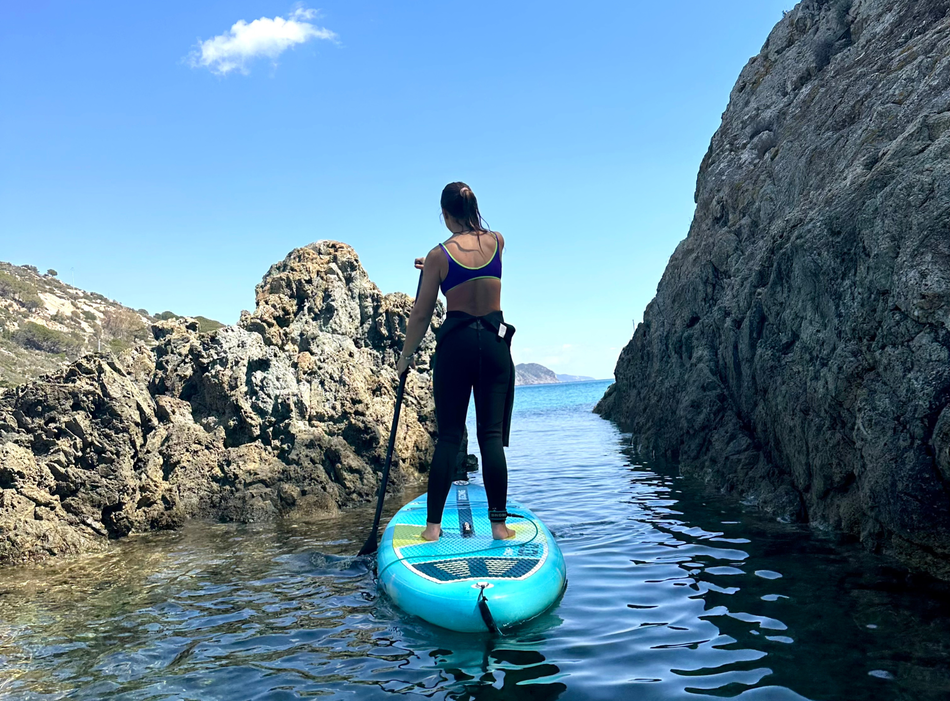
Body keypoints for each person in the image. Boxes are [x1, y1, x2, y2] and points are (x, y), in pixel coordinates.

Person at [396, 181, 516, 542]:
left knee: (449, 436)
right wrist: (431, 266)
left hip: (457, 345)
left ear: (446, 215)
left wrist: (405, 357)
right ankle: (499, 526)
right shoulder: (498, 241)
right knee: (491, 436)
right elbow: (474, 268)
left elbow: (421, 314)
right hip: (495, 344)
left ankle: (432, 530)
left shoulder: (438, 256)